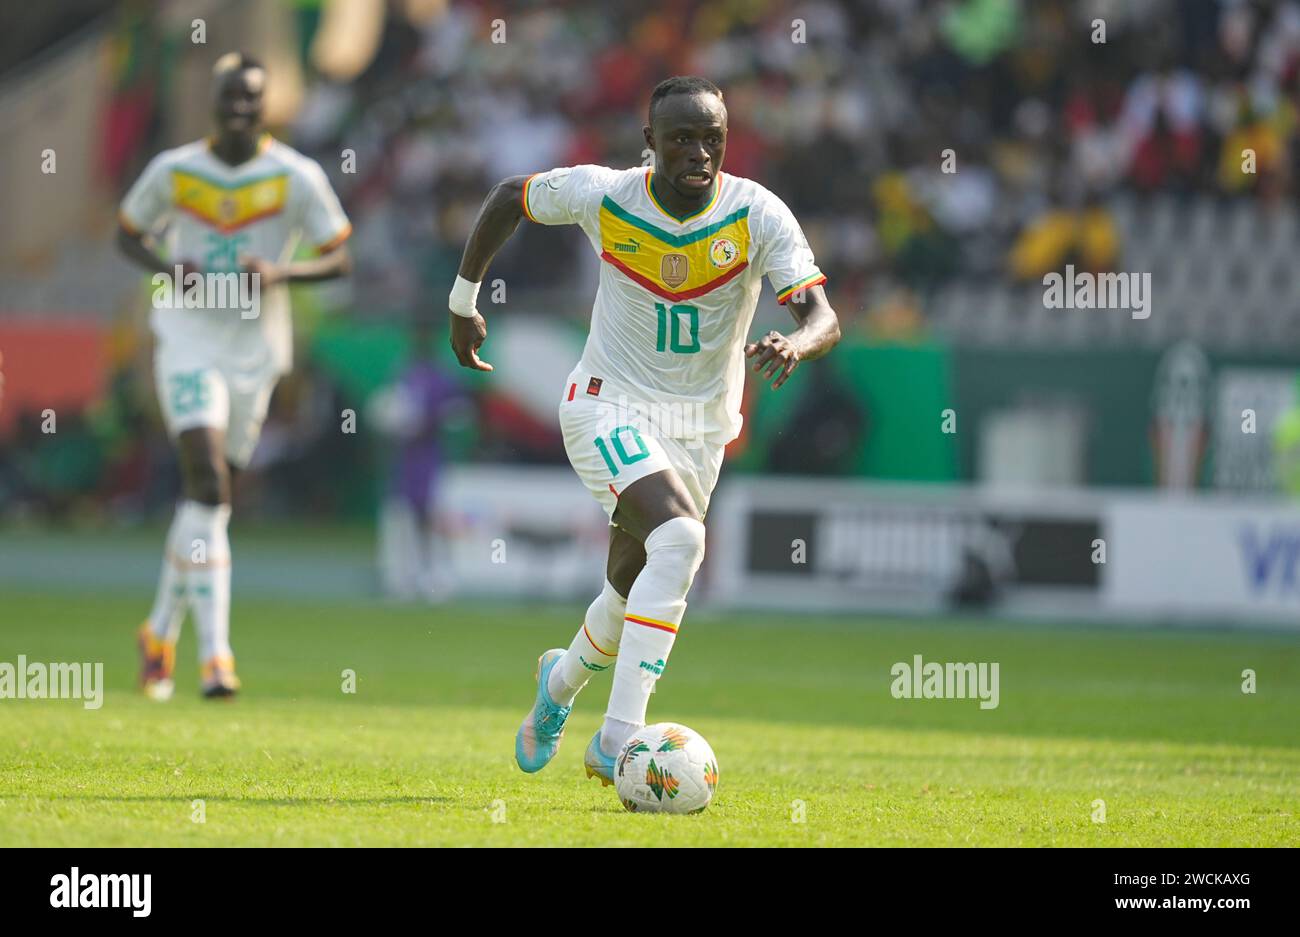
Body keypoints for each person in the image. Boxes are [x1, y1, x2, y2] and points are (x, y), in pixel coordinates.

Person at [447, 76, 841, 782]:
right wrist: (463, 299)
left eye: (712, 138)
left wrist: (796, 344)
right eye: (682, 137)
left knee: (630, 589)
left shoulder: (757, 214)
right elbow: (511, 195)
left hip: (698, 430)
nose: (699, 152)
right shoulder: (605, 193)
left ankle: (557, 686)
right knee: (682, 539)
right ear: (649, 145)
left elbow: (823, 316)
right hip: (607, 403)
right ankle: (620, 740)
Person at [117, 52, 352, 700]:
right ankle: (216, 657)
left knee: (207, 503)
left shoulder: (295, 176)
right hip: (187, 339)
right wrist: (166, 266)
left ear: (265, 104)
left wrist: (282, 273)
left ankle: (158, 630)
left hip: (256, 351)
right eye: (230, 98)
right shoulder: (174, 170)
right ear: (214, 102)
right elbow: (127, 233)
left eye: (252, 99)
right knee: (208, 482)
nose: (240, 109)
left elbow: (338, 257)